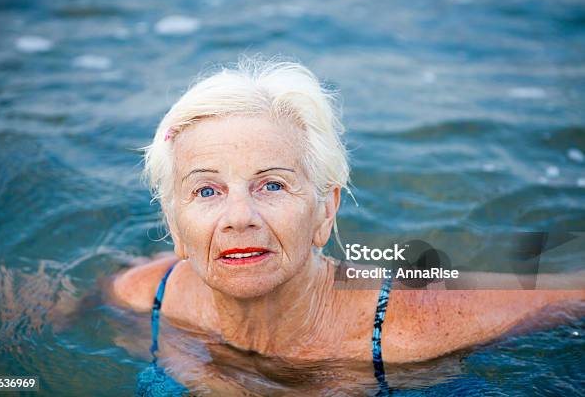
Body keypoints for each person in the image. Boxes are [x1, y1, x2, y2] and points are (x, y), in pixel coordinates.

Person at [108, 57, 584, 393]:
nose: (238, 218)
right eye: (206, 191)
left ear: (325, 211)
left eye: (272, 185)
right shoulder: (144, 297)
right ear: (174, 224)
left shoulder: (413, 328)